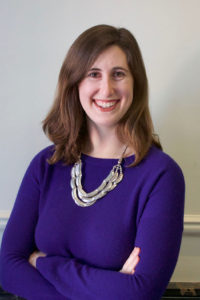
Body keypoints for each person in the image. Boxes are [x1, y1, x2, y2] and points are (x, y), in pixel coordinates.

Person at [0, 24, 185, 300]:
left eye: (119, 74)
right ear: (75, 83)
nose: (106, 88)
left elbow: (141, 293)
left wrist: (42, 262)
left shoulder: (161, 176)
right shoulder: (46, 165)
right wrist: (108, 287)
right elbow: (7, 268)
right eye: (93, 74)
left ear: (136, 82)